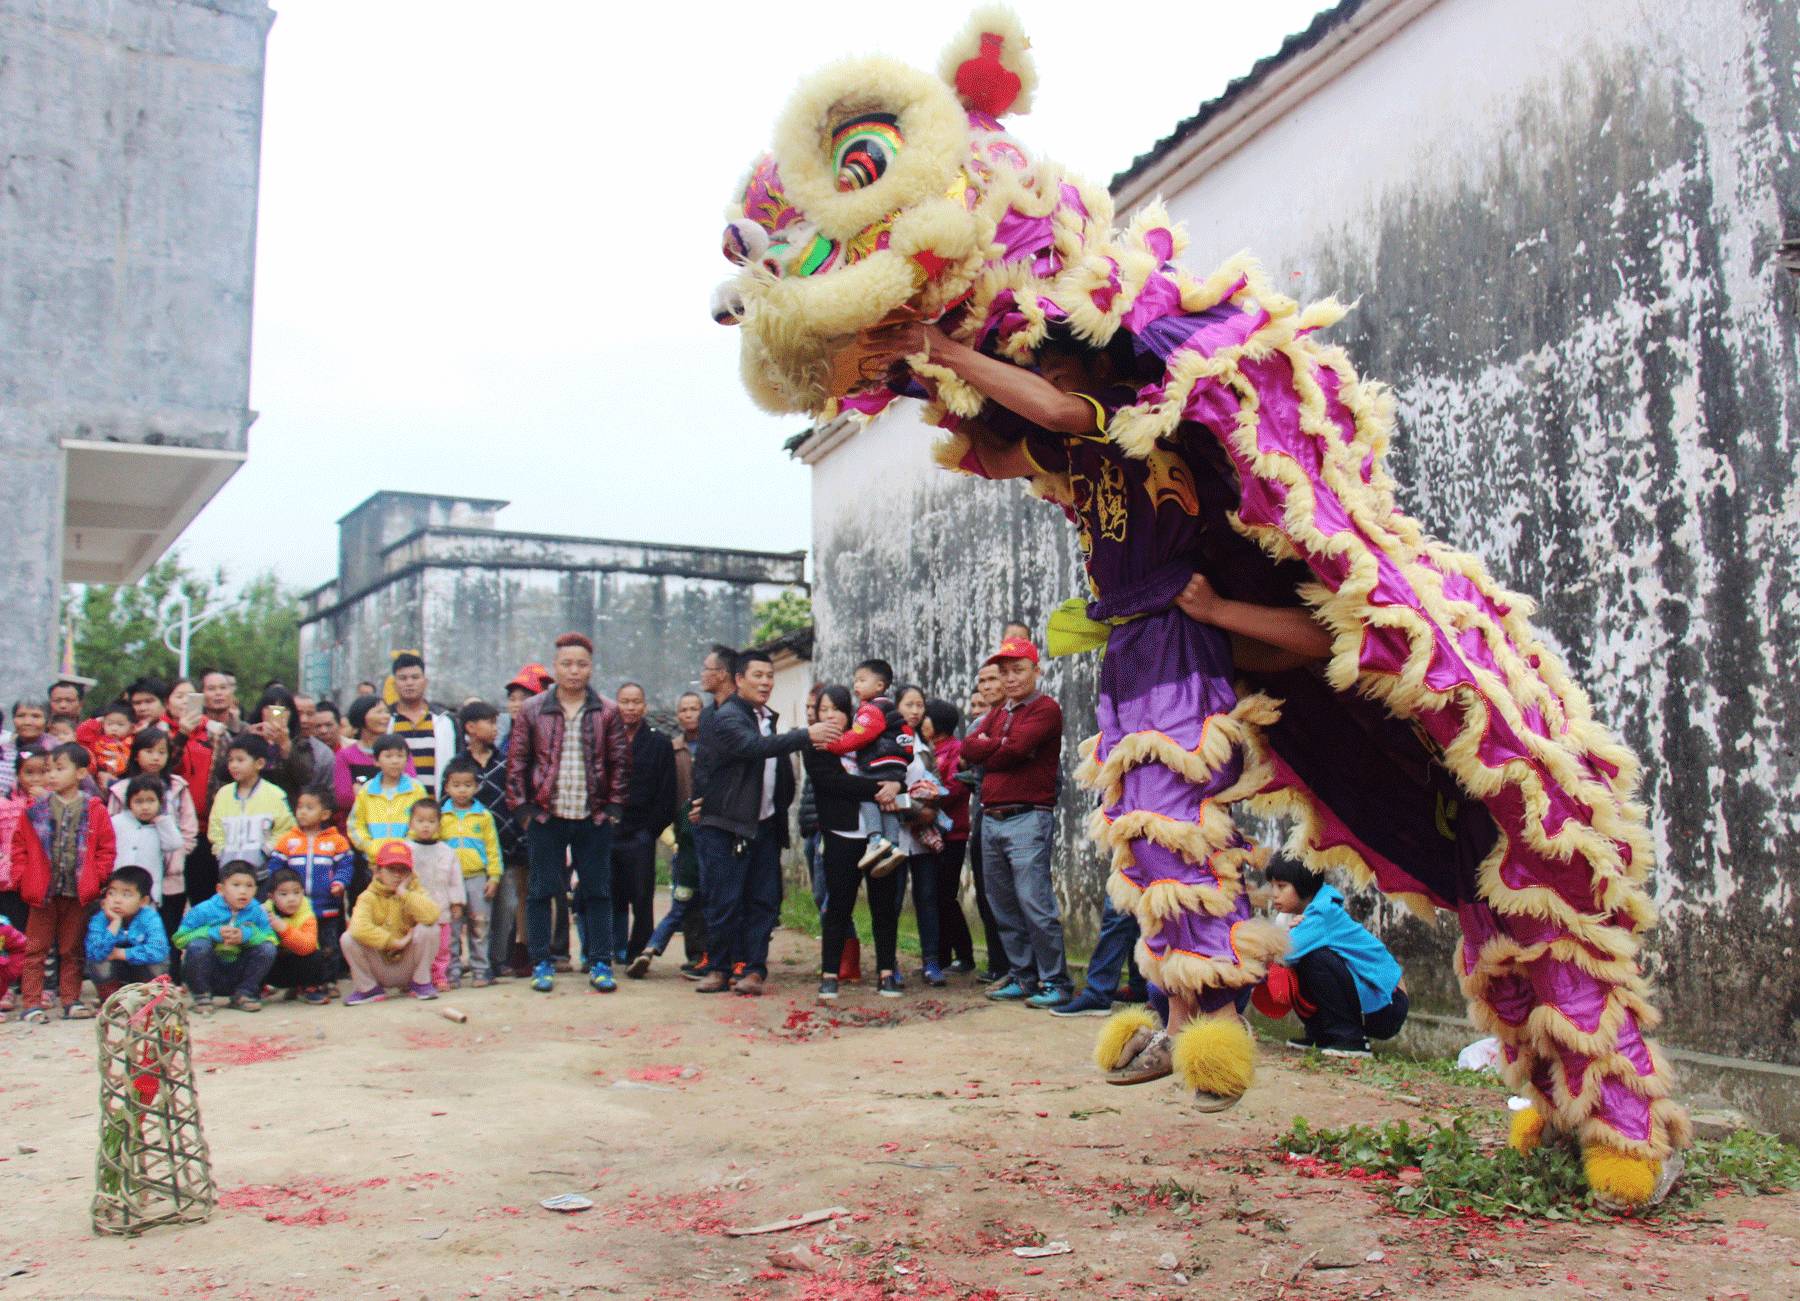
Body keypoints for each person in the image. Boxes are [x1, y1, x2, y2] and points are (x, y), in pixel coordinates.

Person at [691, 648, 840, 996]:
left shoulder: (767, 717)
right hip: (728, 824)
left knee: (764, 901)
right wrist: (808, 734)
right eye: (758, 676)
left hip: (765, 825)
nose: (766, 682)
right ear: (739, 680)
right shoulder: (728, 716)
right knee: (724, 900)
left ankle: (754, 970)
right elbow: (752, 747)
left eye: (770, 676)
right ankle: (718, 968)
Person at [504, 632, 630, 995]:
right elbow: (518, 762)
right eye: (567, 664)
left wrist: (613, 808)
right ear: (555, 667)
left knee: (598, 890)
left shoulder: (606, 710)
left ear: (591, 668)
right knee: (542, 890)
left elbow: (620, 762)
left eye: (582, 664)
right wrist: (524, 809)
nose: (574, 671)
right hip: (547, 814)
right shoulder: (532, 710)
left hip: (593, 816)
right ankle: (542, 961)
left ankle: (600, 961)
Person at [961, 637, 1071, 1009]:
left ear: (1036, 671)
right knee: (1003, 904)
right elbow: (967, 748)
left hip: (1028, 817)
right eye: (1003, 672)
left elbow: (1014, 750)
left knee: (1035, 904)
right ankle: (1023, 977)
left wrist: (992, 745)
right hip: (991, 817)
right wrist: (996, 743)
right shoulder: (998, 711)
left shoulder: (1045, 709)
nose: (1010, 679)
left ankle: (1055, 980)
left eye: (1018, 670)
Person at [806, 685, 903, 1001]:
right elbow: (834, 783)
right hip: (841, 834)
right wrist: (881, 787)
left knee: (884, 905)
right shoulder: (816, 746)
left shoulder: (867, 742)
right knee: (839, 905)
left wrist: (895, 783)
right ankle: (830, 973)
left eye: (836, 709)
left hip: (879, 838)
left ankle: (886, 972)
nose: (830, 715)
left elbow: (894, 765)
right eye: (823, 710)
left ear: (849, 713)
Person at [1259, 859, 1409, 1057]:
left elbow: (1283, 952)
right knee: (1297, 965)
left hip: (1388, 1005)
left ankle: (1351, 1039)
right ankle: (1322, 1035)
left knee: (1314, 958)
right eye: (1272, 886)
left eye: (1282, 886)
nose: (1274, 893)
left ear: (1304, 884)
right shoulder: (1293, 916)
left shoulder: (1323, 912)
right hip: (1373, 1000)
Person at [13, 743, 117, 1021]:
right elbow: (19, 847)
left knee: (72, 948)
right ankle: (32, 1003)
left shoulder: (95, 809)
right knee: (36, 949)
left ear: (81, 772)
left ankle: (71, 1000)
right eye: (49, 770)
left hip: (77, 890)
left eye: (60, 769)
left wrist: (98, 877)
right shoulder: (35, 810)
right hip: (42, 891)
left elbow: (106, 848)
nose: (52, 775)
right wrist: (23, 878)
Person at [455, 701, 526, 979]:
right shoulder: (458, 765)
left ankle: (498, 959)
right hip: (470, 853)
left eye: (498, 723)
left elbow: (516, 798)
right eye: (490, 723)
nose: (496, 729)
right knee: (472, 911)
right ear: (471, 728)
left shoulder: (505, 763)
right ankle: (470, 961)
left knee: (506, 906)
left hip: (505, 848)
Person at [641, 689, 709, 978]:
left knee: (706, 896)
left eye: (695, 708)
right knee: (687, 899)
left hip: (710, 822)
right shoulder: (672, 750)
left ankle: (707, 953)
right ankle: (695, 955)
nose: (690, 714)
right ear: (678, 715)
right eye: (684, 709)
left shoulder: (713, 746)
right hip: (684, 826)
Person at [824, 658, 914, 873]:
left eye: (862, 680)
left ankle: (874, 839)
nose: (856, 685)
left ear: (880, 686)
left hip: (878, 761)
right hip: (896, 764)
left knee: (869, 796)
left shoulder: (873, 710)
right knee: (888, 803)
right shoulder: (891, 709)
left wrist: (833, 745)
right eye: (855, 681)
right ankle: (892, 845)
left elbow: (858, 737)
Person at [265, 787, 353, 998]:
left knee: (328, 945)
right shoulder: (288, 840)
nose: (302, 812)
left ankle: (329, 980)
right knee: (299, 945)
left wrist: (340, 882)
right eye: (300, 807)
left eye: (309, 808)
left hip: (327, 906)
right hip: (296, 909)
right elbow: (275, 867)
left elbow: (346, 866)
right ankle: (301, 982)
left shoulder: (336, 840)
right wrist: (277, 890)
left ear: (324, 814)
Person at [611, 683, 676, 969]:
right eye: (625, 702)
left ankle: (639, 951)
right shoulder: (607, 739)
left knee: (641, 894)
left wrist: (652, 829)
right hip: (610, 828)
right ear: (617, 706)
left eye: (636, 702)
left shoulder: (659, 742)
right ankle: (610, 951)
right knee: (610, 893)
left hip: (641, 831)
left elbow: (667, 791)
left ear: (645, 706)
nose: (630, 707)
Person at [109, 728, 198, 930]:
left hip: (171, 873)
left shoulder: (177, 787)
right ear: (137, 754)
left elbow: (188, 830)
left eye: (161, 752)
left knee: (166, 929)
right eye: (149, 751)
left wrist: (176, 857)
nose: (155, 758)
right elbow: (110, 832)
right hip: (127, 873)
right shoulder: (121, 789)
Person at [340, 840, 441, 1005]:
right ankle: (368, 989)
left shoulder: (415, 891)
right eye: (391, 869)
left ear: (410, 873)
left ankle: (421, 983)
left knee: (430, 929)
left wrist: (404, 893)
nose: (397, 875)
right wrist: (394, 942)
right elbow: (357, 928)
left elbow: (432, 915)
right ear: (378, 871)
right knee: (348, 938)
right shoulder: (368, 896)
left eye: (403, 870)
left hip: (408, 965)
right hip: (380, 964)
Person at [173, 860, 277, 1013]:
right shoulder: (204, 909)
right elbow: (179, 939)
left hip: (238, 971)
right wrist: (212, 933)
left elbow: (272, 939)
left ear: (256, 889)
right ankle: (202, 996)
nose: (243, 891)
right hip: (210, 971)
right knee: (198, 946)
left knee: (267, 949)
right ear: (220, 889)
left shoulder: (257, 911)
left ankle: (244, 994)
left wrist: (247, 935)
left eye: (249, 886)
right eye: (236, 885)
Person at [921, 699, 976, 975]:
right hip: (930, 833)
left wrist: (928, 800)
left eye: (926, 717)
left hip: (952, 832)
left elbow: (956, 789)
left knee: (944, 895)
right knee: (934, 896)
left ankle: (964, 955)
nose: (921, 721)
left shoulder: (954, 750)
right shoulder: (928, 750)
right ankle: (941, 956)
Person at [211, 686, 334, 805]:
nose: (276, 713)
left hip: (284, 807)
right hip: (249, 806)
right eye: (271, 708)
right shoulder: (249, 737)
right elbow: (223, 772)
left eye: (282, 709)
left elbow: (305, 777)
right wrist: (245, 738)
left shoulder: (300, 742)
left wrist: (286, 746)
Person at [438, 756, 501, 988]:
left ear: (476, 786)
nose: (462, 790)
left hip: (477, 877)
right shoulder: (441, 816)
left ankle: (481, 970)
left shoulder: (483, 816)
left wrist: (494, 876)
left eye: (467, 785)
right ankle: (451, 972)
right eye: (456, 785)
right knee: (452, 927)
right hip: (449, 880)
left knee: (480, 924)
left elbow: (493, 848)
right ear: (447, 787)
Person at [207, 734, 295, 886]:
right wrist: (221, 852)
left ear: (259, 763)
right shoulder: (223, 794)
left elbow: (286, 829)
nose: (233, 765)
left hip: (263, 875)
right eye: (231, 760)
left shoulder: (275, 794)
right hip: (229, 874)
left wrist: (264, 851)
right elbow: (215, 828)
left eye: (240, 760)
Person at [84, 864, 171, 999]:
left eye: (126, 894)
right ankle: (111, 998)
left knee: (158, 962)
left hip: (142, 972)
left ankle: (149, 997)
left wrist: (122, 953)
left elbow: (158, 951)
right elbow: (94, 953)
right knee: (98, 959)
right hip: (117, 972)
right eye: (111, 893)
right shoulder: (100, 918)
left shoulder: (150, 917)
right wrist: (114, 923)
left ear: (143, 901)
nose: (117, 900)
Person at [404, 798, 461, 990]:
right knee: (415, 945)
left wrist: (457, 902)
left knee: (442, 947)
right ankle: (415, 977)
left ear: (439, 824)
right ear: (411, 822)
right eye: (420, 821)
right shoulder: (406, 850)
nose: (426, 826)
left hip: (441, 908)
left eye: (431, 821)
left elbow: (454, 879)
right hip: (414, 911)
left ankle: (439, 976)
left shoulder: (447, 852)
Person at [332, 695, 417, 816]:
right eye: (379, 712)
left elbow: (411, 789)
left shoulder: (399, 750)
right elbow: (343, 799)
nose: (385, 716)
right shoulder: (345, 756)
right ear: (361, 715)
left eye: (386, 712)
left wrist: (362, 793)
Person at [348, 735, 427, 861]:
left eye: (400, 756)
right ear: (376, 761)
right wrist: (370, 846)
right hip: (375, 859)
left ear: (407, 759)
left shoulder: (416, 789)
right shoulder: (367, 790)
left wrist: (406, 846)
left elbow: (424, 820)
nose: (395, 761)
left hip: (408, 858)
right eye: (388, 756)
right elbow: (355, 824)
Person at [387, 653, 457, 796]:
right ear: (394, 684)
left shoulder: (444, 721)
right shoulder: (386, 720)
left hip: (436, 808)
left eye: (415, 677)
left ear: (425, 682)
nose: (409, 683)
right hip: (395, 809)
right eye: (403, 678)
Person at [109, 775, 183, 904]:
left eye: (151, 801)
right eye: (138, 801)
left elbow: (174, 844)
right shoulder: (117, 822)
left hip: (147, 890)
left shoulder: (163, 824)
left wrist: (162, 822)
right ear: (129, 803)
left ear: (160, 801)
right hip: (119, 884)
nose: (145, 807)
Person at [263, 867, 325, 1002]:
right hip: (275, 968)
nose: (291, 899)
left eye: (296, 893)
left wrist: (283, 929)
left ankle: (309, 988)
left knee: (316, 954)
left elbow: (308, 946)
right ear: (271, 897)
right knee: (259, 951)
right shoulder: (263, 913)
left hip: (299, 964)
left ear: (303, 893)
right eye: (283, 894)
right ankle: (257, 988)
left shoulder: (307, 915)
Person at [0, 699, 50, 796]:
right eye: (21, 716)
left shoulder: (58, 751)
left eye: (36, 716)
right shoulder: (4, 750)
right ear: (13, 719)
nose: (27, 722)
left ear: (47, 721)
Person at [89, 701, 134, 780]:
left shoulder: (132, 741)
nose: (114, 728)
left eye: (120, 725)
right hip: (100, 775)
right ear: (103, 725)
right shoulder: (98, 741)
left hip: (125, 777)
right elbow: (81, 734)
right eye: (110, 724)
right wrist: (96, 721)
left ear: (131, 727)